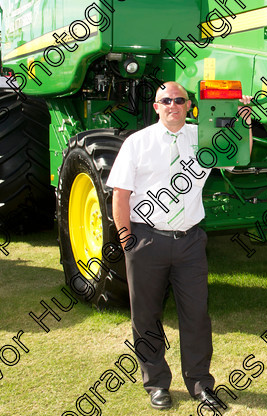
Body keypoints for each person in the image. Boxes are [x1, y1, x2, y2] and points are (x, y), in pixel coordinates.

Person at [107, 81, 250, 410]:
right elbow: (121, 194)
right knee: (146, 316)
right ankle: (156, 383)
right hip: (147, 240)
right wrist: (127, 239)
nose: (172, 105)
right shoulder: (137, 143)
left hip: (189, 242)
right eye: (165, 100)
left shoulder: (203, 138)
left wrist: (244, 123)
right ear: (156, 107)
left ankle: (200, 383)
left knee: (196, 315)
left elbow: (237, 159)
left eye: (179, 100)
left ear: (189, 105)